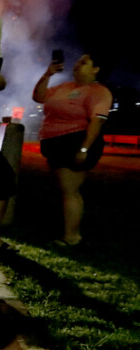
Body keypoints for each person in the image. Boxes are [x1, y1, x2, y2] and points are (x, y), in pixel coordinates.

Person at [32, 52, 112, 247]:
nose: (77, 64)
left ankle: (72, 236)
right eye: (77, 61)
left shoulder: (98, 91)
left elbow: (97, 121)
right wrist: (47, 74)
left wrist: (84, 149)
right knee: (63, 189)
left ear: (96, 70)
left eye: (84, 62)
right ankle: (66, 230)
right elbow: (39, 97)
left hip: (74, 141)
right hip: (55, 142)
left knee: (70, 190)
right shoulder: (66, 87)